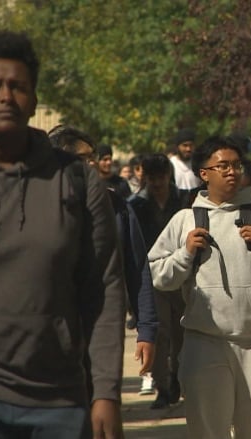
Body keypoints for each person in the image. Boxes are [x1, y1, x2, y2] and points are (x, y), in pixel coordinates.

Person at [0, 31, 124, 439]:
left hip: (58, 400)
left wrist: (106, 392)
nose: (6, 96)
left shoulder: (78, 182)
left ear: (33, 99)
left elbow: (103, 288)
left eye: (18, 87)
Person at [148, 136, 251, 438]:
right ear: (204, 174)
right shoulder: (185, 220)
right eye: (222, 166)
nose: (231, 172)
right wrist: (185, 254)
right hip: (203, 343)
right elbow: (159, 276)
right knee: (208, 430)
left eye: (236, 165)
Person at [48, 124, 158, 393]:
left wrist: (147, 329)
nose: (94, 164)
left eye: (93, 157)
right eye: (84, 159)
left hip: (102, 328)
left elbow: (137, 267)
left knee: (99, 401)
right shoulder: (36, 206)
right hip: (48, 331)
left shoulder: (117, 207)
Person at [128, 153, 186, 409]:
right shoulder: (137, 206)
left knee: (183, 333)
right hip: (152, 279)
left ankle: (180, 382)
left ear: (169, 176)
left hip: (183, 276)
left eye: (161, 177)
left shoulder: (184, 202)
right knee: (160, 335)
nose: (158, 183)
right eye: (152, 178)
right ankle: (163, 386)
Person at [168, 128, 202, 207]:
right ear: (177, 147)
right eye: (185, 145)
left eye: (191, 145)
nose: (188, 149)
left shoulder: (198, 164)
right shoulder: (171, 164)